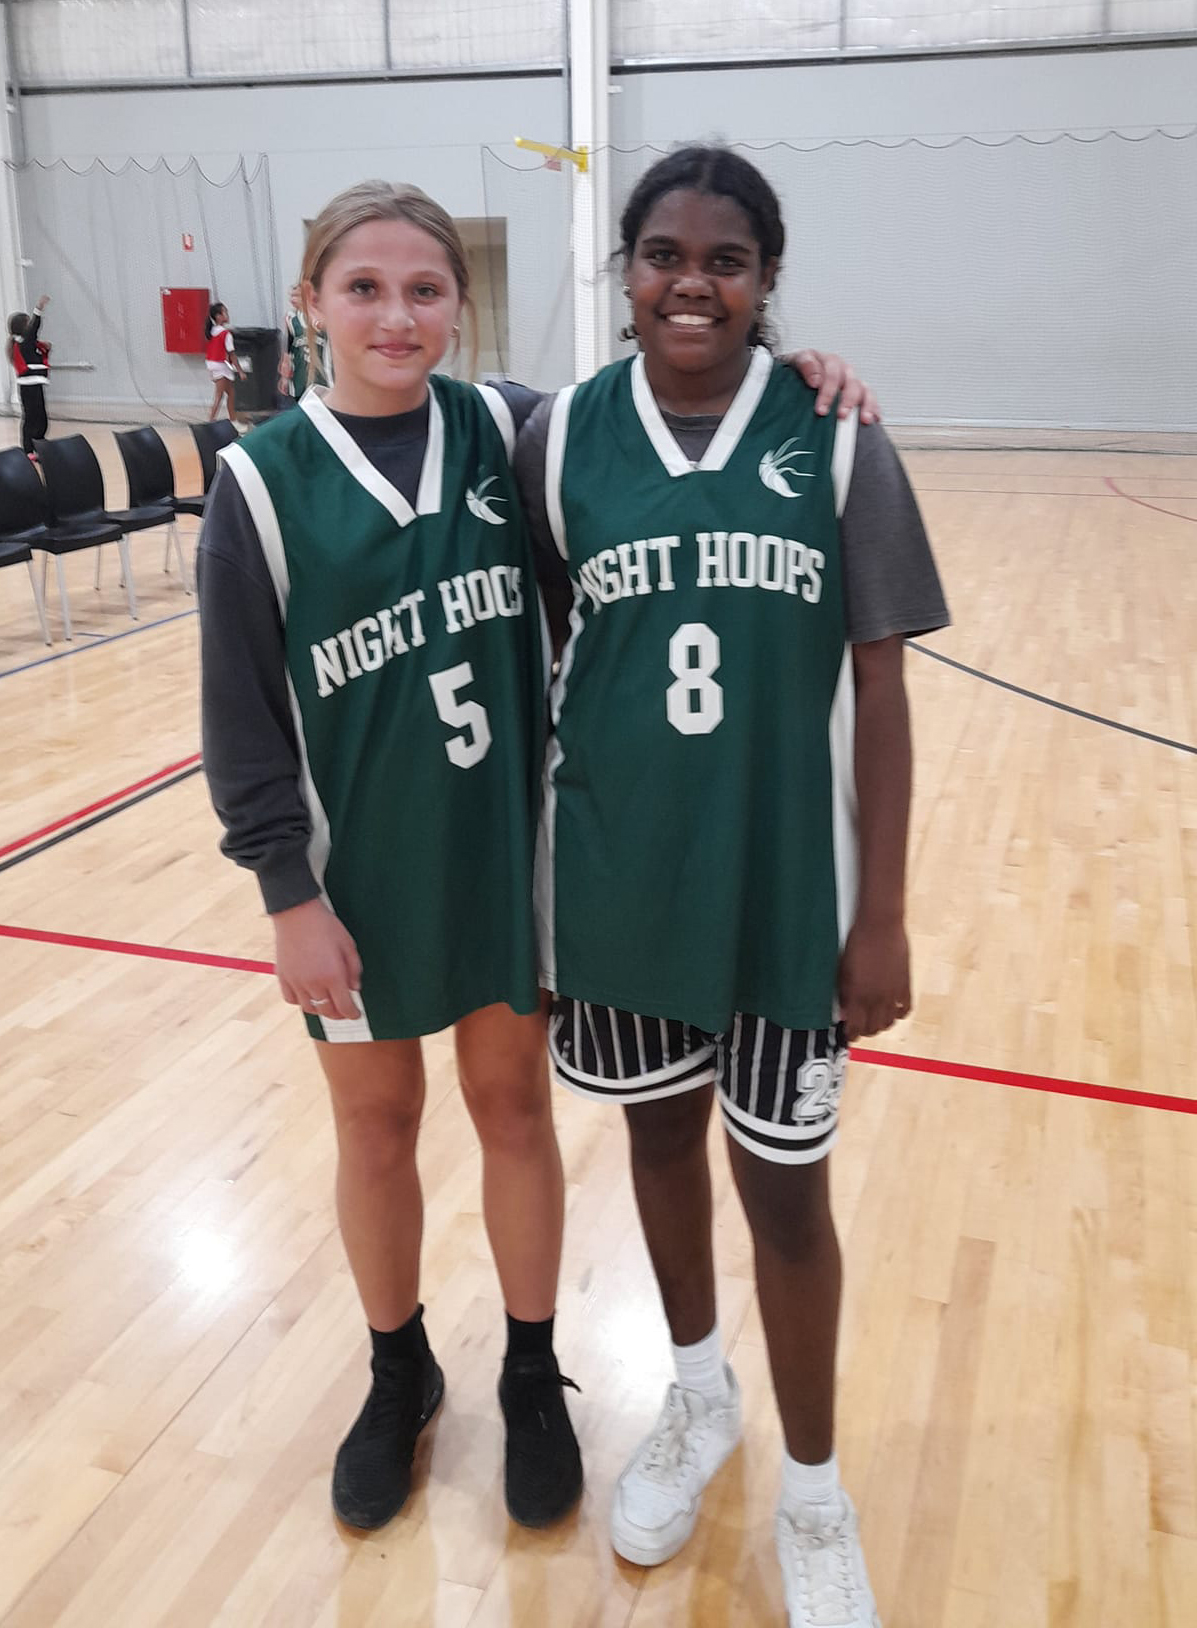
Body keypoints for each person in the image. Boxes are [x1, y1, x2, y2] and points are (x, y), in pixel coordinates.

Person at [198, 175, 876, 1539]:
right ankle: (398, 1373)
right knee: (376, 1127)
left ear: (461, 305)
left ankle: (527, 1369)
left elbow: (664, 399)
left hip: (510, 855)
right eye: (364, 289)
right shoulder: (258, 488)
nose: (397, 315)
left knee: (515, 1118)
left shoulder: (513, 432)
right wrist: (286, 893)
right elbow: (240, 713)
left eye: (425, 289)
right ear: (311, 303)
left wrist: (802, 361)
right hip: (357, 878)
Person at [515, 145, 949, 1626]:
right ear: (624, 270)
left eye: (726, 261)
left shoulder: (834, 439)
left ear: (769, 283)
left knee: (787, 1194)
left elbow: (881, 694)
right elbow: (553, 654)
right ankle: (699, 1402)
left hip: (784, 888)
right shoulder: (562, 438)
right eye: (662, 255)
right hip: (623, 878)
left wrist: (881, 912)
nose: (689, 282)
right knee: (656, 1149)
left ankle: (815, 1493)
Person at [7, 295, 51, 457]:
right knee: (33, 416)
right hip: (29, 385)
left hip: (34, 384)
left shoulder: (26, 344)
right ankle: (29, 448)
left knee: (39, 415)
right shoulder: (24, 341)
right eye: (27, 323)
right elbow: (34, 328)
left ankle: (38, 443)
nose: (30, 326)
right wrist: (38, 309)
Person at [204, 301, 245, 422]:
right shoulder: (226, 334)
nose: (227, 315)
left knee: (231, 393)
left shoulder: (212, 331)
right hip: (220, 365)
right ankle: (210, 421)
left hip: (213, 364)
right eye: (225, 312)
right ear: (218, 316)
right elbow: (232, 354)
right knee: (219, 395)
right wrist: (240, 371)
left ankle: (233, 419)